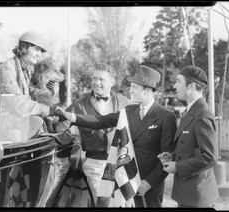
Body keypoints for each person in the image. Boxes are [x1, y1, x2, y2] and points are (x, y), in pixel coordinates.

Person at [55, 65, 177, 207]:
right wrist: (69, 116)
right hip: (126, 177)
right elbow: (101, 121)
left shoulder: (166, 116)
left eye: (134, 87)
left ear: (148, 90)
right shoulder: (129, 110)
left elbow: (167, 156)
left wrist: (149, 182)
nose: (130, 91)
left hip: (149, 184)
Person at [51, 63, 133, 207]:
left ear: (112, 82)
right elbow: (59, 127)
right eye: (94, 78)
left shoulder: (125, 102)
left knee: (123, 203)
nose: (96, 82)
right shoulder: (78, 105)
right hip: (96, 164)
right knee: (104, 203)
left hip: (121, 163)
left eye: (101, 79)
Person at [0, 31, 56, 207]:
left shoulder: (26, 68)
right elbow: (16, 101)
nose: (39, 54)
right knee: (38, 123)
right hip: (0, 126)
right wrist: (44, 109)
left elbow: (31, 94)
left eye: (41, 51)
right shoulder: (8, 68)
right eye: (36, 49)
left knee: (45, 131)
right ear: (24, 48)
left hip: (15, 125)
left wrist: (46, 90)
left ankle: (28, 195)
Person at [159, 66, 219, 208]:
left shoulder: (202, 114)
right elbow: (191, 146)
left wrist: (177, 167)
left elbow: (210, 157)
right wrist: (172, 156)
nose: (175, 86)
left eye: (179, 82)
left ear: (191, 86)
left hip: (197, 196)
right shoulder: (193, 110)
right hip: (189, 193)